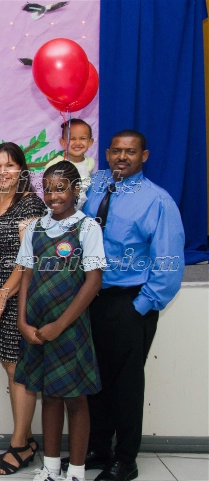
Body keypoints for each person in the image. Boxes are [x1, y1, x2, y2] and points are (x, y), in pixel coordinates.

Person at [76, 130, 185, 481]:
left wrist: (139, 307)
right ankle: (98, 448)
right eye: (117, 151)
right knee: (94, 379)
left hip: (128, 303)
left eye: (131, 152)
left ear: (144, 156)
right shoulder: (97, 186)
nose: (122, 157)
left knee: (125, 386)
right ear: (107, 153)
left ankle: (126, 460)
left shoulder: (158, 201)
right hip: (90, 299)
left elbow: (168, 262)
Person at [14, 161, 106, 481]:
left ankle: (76, 472)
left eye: (61, 189)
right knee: (49, 396)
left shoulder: (87, 228)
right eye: (48, 189)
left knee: (75, 399)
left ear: (76, 189)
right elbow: (26, 275)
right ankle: (51, 468)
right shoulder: (36, 228)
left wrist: (60, 325)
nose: (53, 196)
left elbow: (93, 282)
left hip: (70, 328)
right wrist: (22, 322)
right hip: (38, 328)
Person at [0, 142, 47, 475]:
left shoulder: (30, 204)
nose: (3, 171)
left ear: (22, 170)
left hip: (19, 299)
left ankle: (19, 446)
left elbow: (28, 257)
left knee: (19, 370)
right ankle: (27, 440)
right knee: (10, 368)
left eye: (10, 165)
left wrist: (3, 296)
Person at [45, 119, 95, 208]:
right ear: (63, 142)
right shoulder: (55, 164)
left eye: (82, 138)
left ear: (90, 142)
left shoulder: (91, 162)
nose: (77, 143)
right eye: (72, 139)